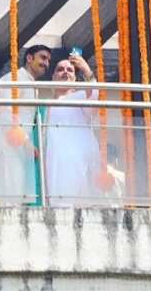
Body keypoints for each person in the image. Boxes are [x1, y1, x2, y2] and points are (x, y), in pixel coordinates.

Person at [0, 45, 51, 204]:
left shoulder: (32, 85)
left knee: (16, 191)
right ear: (29, 58)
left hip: (18, 147)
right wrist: (27, 143)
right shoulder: (14, 78)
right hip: (6, 143)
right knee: (8, 192)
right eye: (43, 57)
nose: (46, 63)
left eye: (48, 60)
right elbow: (7, 112)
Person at [44, 53, 101, 205]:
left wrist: (86, 70)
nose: (65, 72)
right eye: (60, 69)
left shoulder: (82, 96)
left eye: (70, 70)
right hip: (52, 162)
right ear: (53, 77)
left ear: (75, 79)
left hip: (78, 163)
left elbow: (95, 99)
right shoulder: (43, 105)